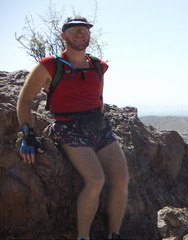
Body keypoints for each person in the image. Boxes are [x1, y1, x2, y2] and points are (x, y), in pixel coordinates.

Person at [17, 16, 129, 240]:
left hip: (99, 127)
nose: (80, 34)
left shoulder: (98, 65)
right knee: (96, 181)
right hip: (69, 128)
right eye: (74, 30)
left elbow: (98, 98)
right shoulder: (49, 65)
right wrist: (28, 135)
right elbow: (25, 100)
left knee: (122, 179)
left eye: (84, 31)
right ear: (64, 36)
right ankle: (83, 237)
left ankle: (114, 234)